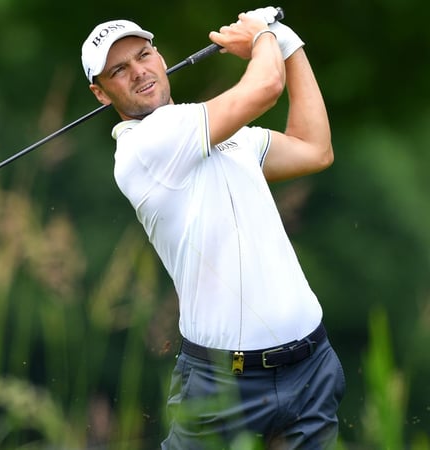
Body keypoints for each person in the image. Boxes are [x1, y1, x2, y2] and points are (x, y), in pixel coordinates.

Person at [81, 7, 345, 449]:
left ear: (161, 58)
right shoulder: (146, 145)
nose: (138, 72)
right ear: (101, 94)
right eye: (118, 70)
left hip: (310, 368)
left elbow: (313, 148)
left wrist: (289, 43)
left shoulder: (221, 133)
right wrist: (262, 35)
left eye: (144, 56)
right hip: (223, 387)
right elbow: (265, 87)